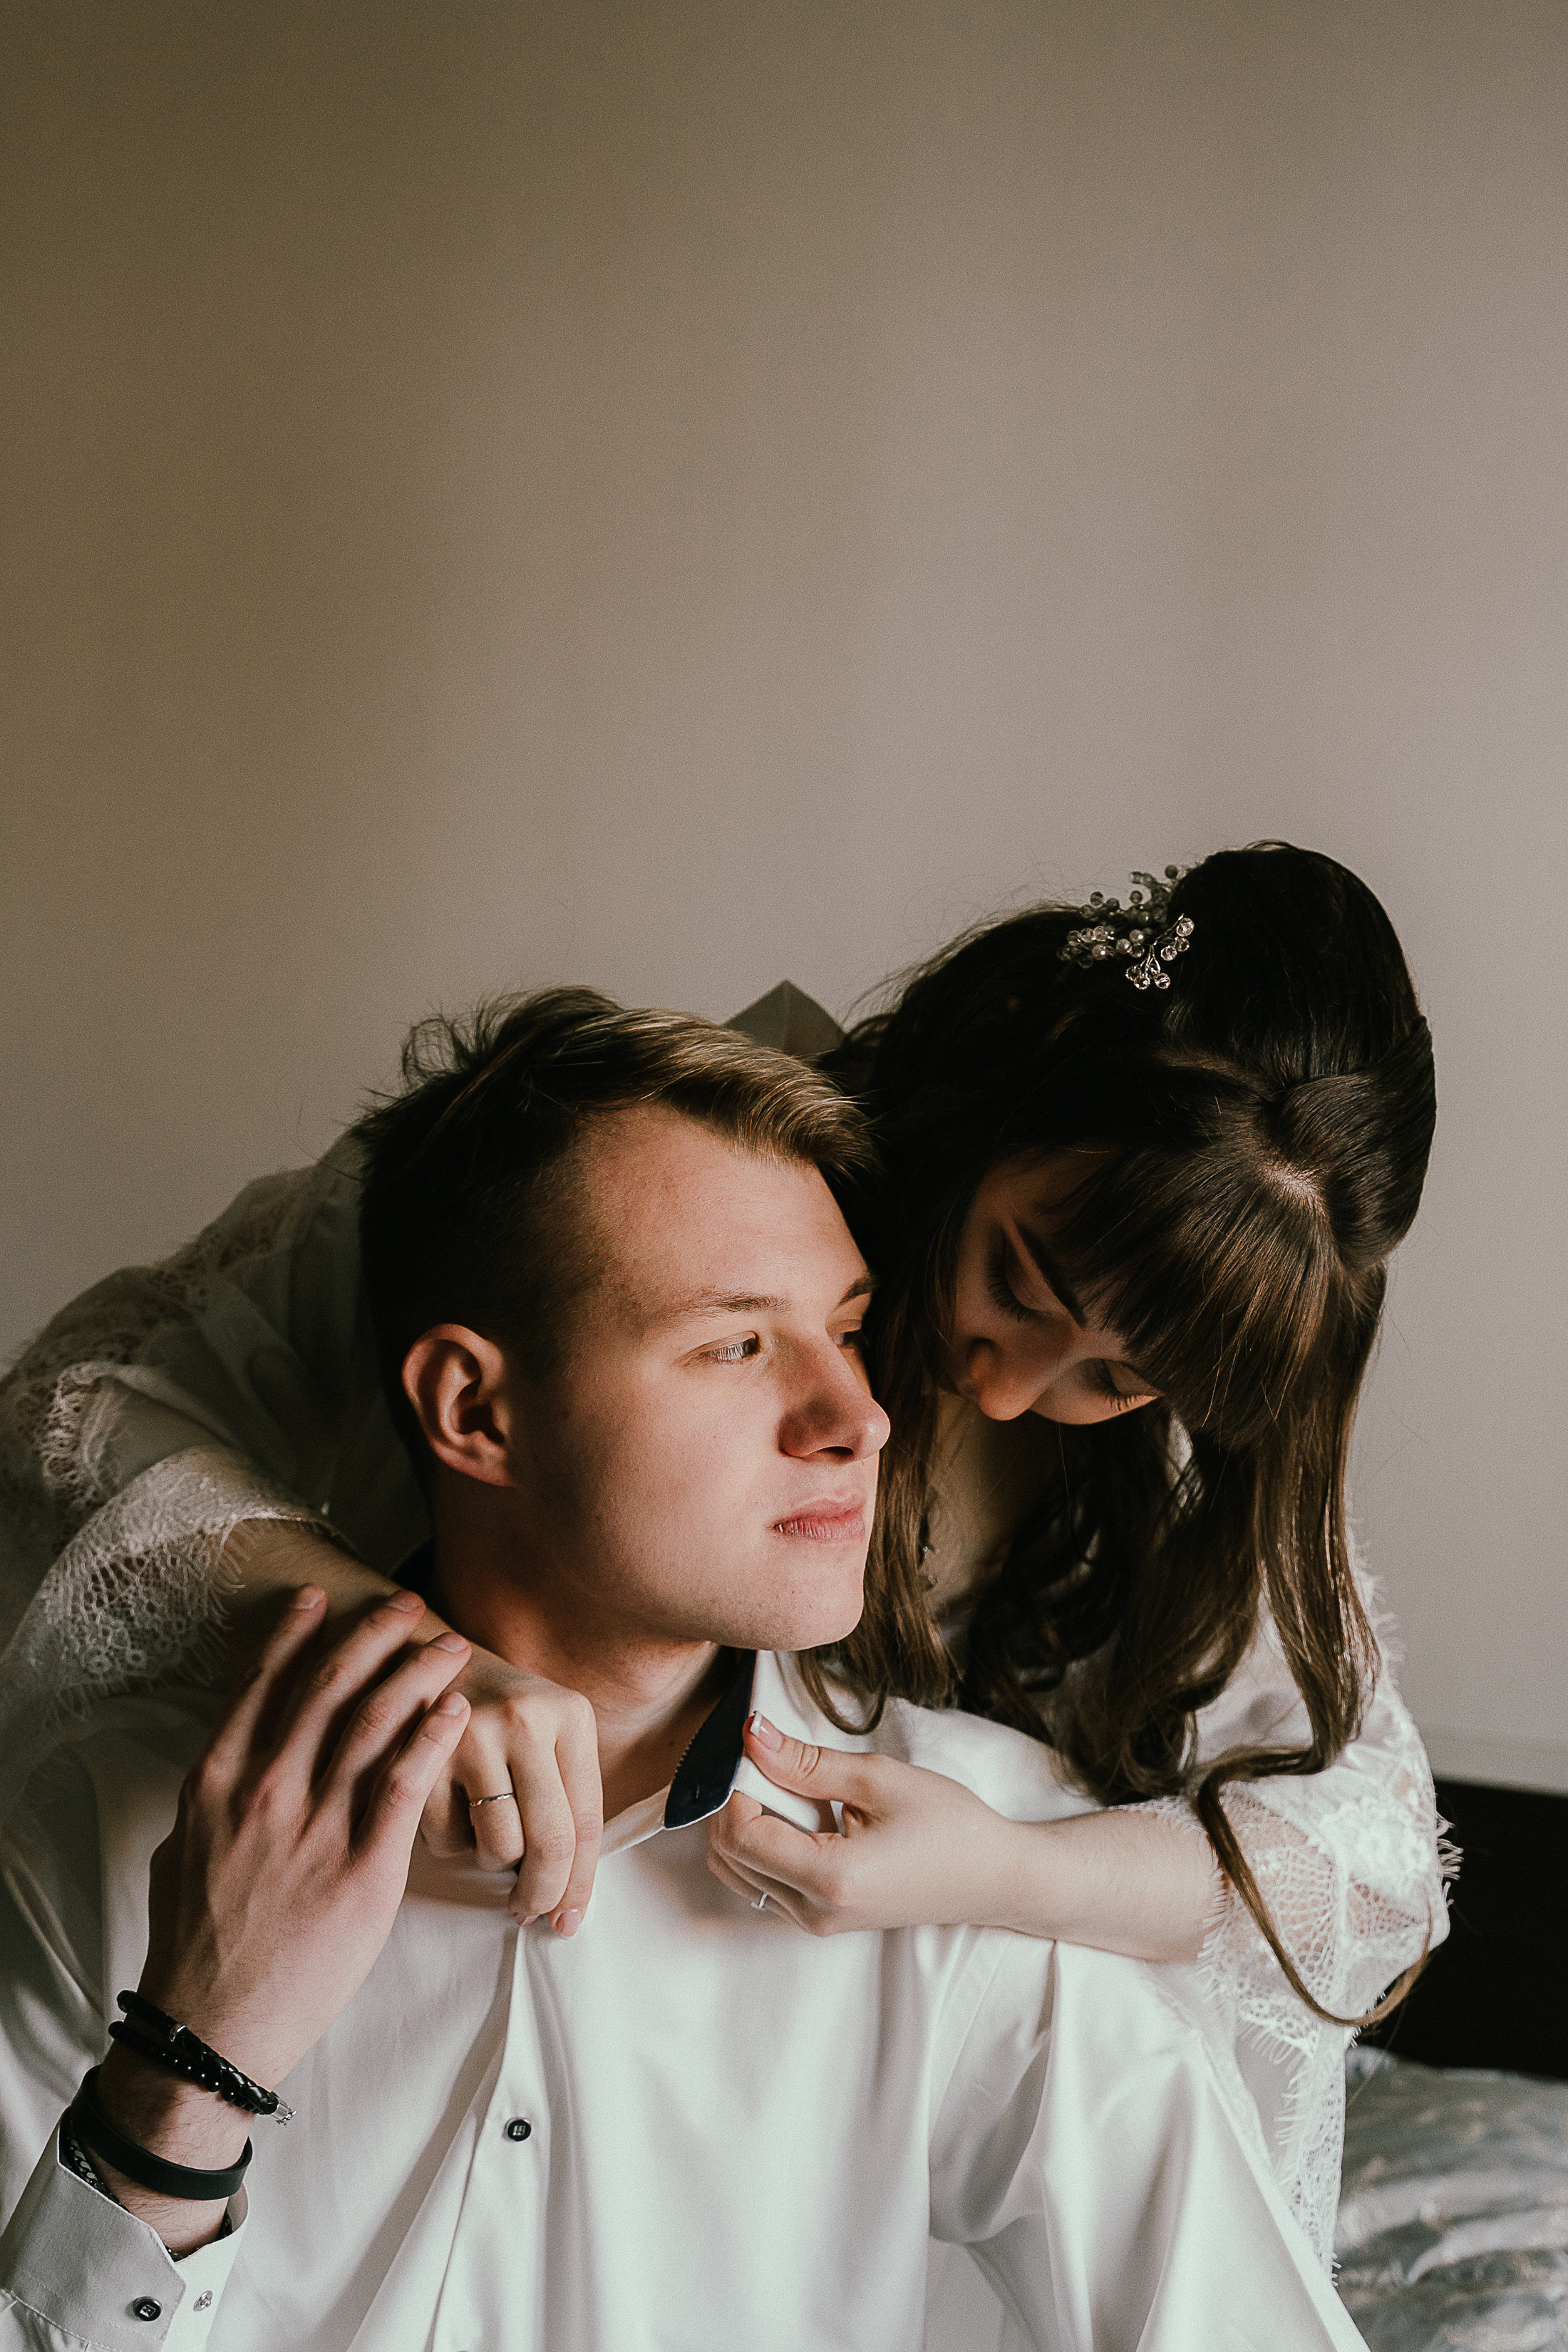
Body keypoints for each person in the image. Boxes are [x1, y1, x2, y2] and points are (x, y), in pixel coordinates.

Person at [0, 842, 1444, 2263]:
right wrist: (402, 1655)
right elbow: (90, 1402)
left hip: (846, 2070)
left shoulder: (1024, 1936)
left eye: (1114, 1379)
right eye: (1016, 1279)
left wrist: (1008, 1874)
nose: (997, 1394)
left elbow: (1370, 1865)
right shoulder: (595, 1178)